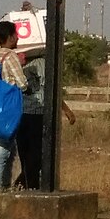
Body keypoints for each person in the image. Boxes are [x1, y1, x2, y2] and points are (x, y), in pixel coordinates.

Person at [13, 46, 76, 190]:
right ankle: (23, 185)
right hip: (38, 114)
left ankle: (28, 187)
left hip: (20, 115)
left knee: (25, 155)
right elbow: (50, 89)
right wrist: (66, 110)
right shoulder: (42, 64)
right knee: (37, 155)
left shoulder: (16, 66)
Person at [0, 19, 28, 192]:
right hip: (7, 111)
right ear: (10, 37)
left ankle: (3, 186)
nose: (17, 38)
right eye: (16, 35)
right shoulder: (10, 57)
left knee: (8, 149)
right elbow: (22, 84)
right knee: (1, 151)